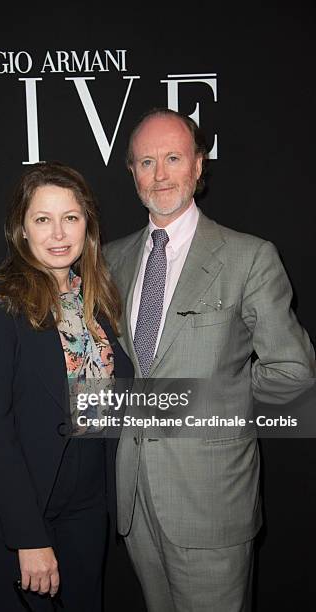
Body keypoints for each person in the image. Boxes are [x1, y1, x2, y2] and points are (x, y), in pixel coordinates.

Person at [103, 109, 315, 612]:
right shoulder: (110, 259)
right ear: (131, 171)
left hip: (211, 501)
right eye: (147, 162)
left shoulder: (249, 257)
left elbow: (294, 371)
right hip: (134, 498)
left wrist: (196, 405)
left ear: (198, 166)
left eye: (173, 158)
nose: (160, 175)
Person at [0, 161, 134, 612]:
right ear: (21, 230)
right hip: (17, 510)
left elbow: (110, 401)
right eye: (42, 219)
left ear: (88, 226)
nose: (58, 234)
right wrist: (27, 537)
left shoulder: (98, 299)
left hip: (87, 506)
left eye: (71, 218)